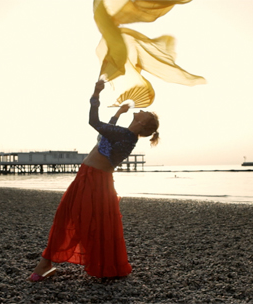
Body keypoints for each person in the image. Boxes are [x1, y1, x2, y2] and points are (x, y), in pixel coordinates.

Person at [29, 80, 160, 282]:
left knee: (70, 217)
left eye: (146, 113)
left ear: (143, 123)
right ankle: (54, 262)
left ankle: (46, 263)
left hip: (94, 180)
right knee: (83, 220)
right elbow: (106, 132)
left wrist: (96, 94)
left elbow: (95, 123)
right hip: (93, 178)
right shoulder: (126, 136)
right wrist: (118, 114)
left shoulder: (125, 135)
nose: (142, 110)